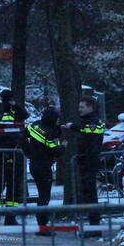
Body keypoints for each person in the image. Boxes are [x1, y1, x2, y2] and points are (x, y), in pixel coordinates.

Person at [0, 89, 29, 225]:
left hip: (15, 152)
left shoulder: (14, 111)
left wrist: (15, 105)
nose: (10, 103)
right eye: (8, 100)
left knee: (14, 186)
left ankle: (10, 217)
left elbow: (25, 115)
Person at [63, 95, 105, 225]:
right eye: (79, 107)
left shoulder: (92, 122)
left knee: (90, 193)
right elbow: (85, 131)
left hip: (89, 161)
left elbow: (91, 139)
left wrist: (85, 157)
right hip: (87, 161)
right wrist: (72, 127)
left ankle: (95, 224)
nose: (79, 109)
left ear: (90, 107)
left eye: (82, 107)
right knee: (88, 193)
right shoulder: (89, 121)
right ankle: (93, 222)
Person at [23, 107, 65, 233]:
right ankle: (42, 225)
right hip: (44, 166)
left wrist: (28, 152)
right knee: (44, 197)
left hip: (34, 164)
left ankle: (42, 224)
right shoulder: (51, 133)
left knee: (42, 195)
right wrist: (63, 145)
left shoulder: (35, 125)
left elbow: (23, 136)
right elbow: (56, 151)